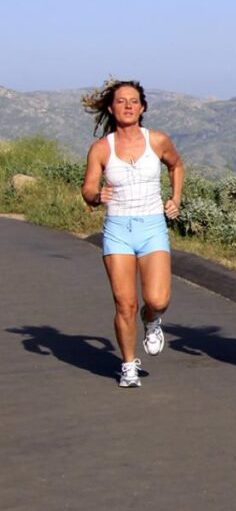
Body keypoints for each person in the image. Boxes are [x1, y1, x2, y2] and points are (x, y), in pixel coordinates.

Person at [81, 79, 184, 388]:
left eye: (133, 101)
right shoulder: (101, 149)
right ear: (111, 109)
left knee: (158, 298)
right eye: (121, 101)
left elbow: (176, 166)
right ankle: (128, 365)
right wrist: (97, 196)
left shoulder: (158, 141)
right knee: (124, 303)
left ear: (142, 107)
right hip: (117, 230)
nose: (127, 106)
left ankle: (151, 318)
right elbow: (87, 188)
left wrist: (175, 199)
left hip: (152, 226)